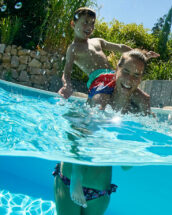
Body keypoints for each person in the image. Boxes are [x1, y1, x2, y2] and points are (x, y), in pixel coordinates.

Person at [54, 49, 155, 215]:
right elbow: (80, 132)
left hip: (99, 191)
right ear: (117, 70)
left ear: (141, 79)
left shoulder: (139, 105)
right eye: (126, 72)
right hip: (70, 179)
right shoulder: (100, 98)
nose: (130, 79)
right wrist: (76, 178)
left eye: (136, 75)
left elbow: (126, 166)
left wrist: (137, 138)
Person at [57, 7, 158, 109]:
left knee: (144, 99)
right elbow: (66, 73)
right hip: (99, 79)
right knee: (100, 102)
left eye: (92, 23)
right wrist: (67, 85)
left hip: (115, 76)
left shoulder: (97, 41)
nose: (89, 27)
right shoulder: (73, 48)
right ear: (73, 24)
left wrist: (142, 55)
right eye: (85, 22)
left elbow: (120, 47)